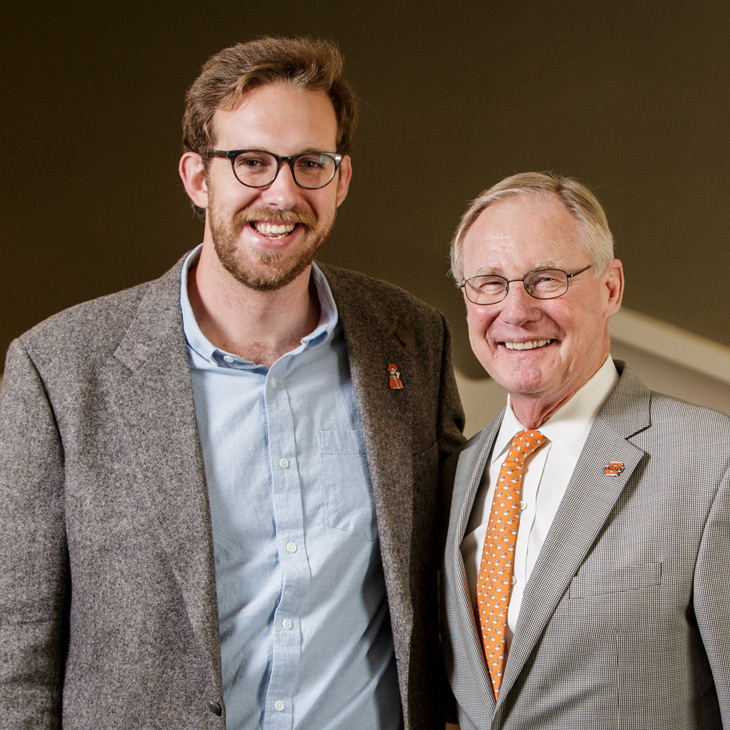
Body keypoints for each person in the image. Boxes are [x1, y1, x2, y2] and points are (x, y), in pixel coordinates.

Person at [0, 37, 464, 729]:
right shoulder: (61, 368)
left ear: (340, 180)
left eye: (311, 164)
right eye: (251, 162)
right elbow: (15, 647)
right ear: (196, 177)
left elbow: (454, 576)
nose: (282, 194)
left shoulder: (411, 341)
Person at [440, 171, 730, 729]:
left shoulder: (712, 462)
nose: (516, 310)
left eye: (546, 278)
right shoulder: (452, 476)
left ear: (610, 287)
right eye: (489, 283)